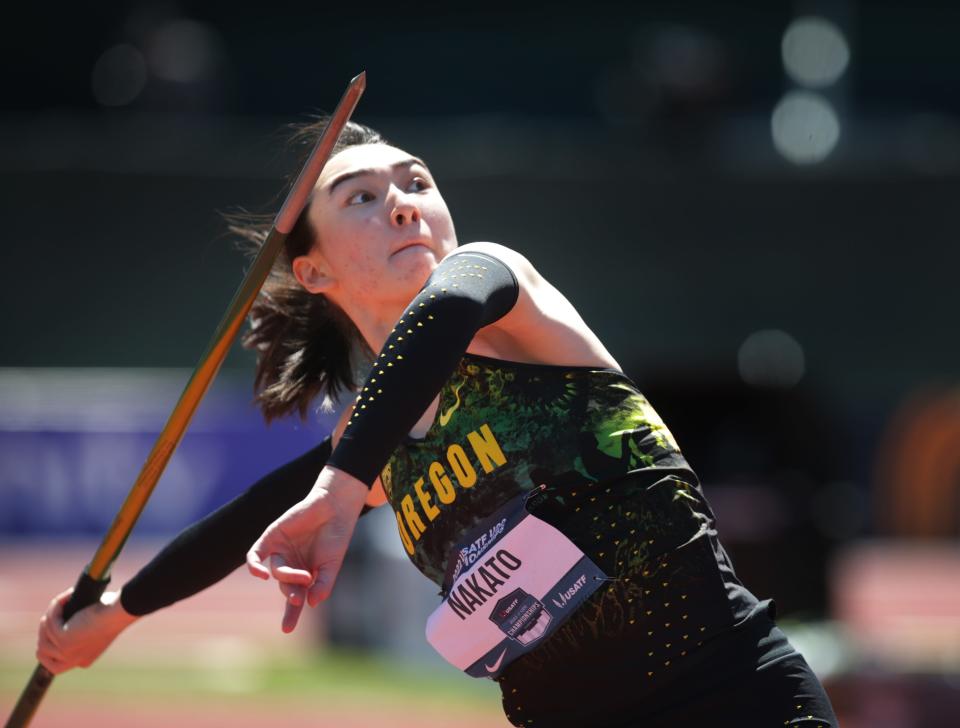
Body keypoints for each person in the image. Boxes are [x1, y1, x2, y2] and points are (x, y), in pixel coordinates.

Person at [37, 119, 838, 727]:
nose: (402, 206)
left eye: (415, 183)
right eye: (362, 198)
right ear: (312, 270)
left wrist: (342, 490)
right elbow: (251, 518)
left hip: (729, 699)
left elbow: (451, 307)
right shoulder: (372, 439)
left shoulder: (503, 296)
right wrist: (114, 617)